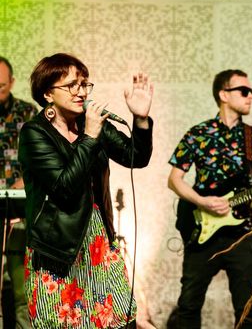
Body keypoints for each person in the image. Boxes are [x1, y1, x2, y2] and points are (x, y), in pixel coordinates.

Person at [18, 53, 153, 328]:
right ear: (47, 94)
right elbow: (63, 187)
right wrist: (90, 137)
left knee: (115, 317)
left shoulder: (90, 124)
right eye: (71, 85)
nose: (81, 92)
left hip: (97, 238)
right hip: (58, 247)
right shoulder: (35, 133)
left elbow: (135, 157)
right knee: (64, 321)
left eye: (84, 84)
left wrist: (140, 119)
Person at [166, 69, 252, 329]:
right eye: (244, 91)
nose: (251, 96)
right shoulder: (198, 133)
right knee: (189, 306)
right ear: (224, 95)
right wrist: (202, 201)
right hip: (202, 232)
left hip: (242, 235)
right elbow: (174, 180)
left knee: (247, 311)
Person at [0, 56, 37, 329]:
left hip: (20, 212)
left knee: (23, 291)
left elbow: (42, 159)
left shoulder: (28, 113)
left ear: (11, 83)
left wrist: (24, 181)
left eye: (1, 86)